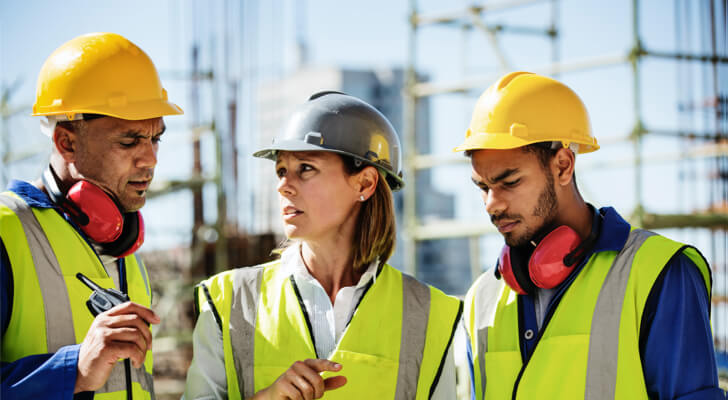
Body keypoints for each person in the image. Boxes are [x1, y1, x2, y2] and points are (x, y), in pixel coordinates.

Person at [455, 71, 723, 399]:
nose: (491, 205)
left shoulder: (659, 273)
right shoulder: (481, 299)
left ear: (563, 166)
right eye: (483, 187)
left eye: (510, 182)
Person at [184, 91, 462, 400]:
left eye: (306, 168)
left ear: (365, 183)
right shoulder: (229, 302)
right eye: (281, 170)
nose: (284, 185)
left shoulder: (429, 315)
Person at [0, 32, 183, 399]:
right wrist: (75, 370)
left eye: (155, 138)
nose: (150, 160)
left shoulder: (124, 247)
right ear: (67, 142)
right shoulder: (7, 232)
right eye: (129, 141)